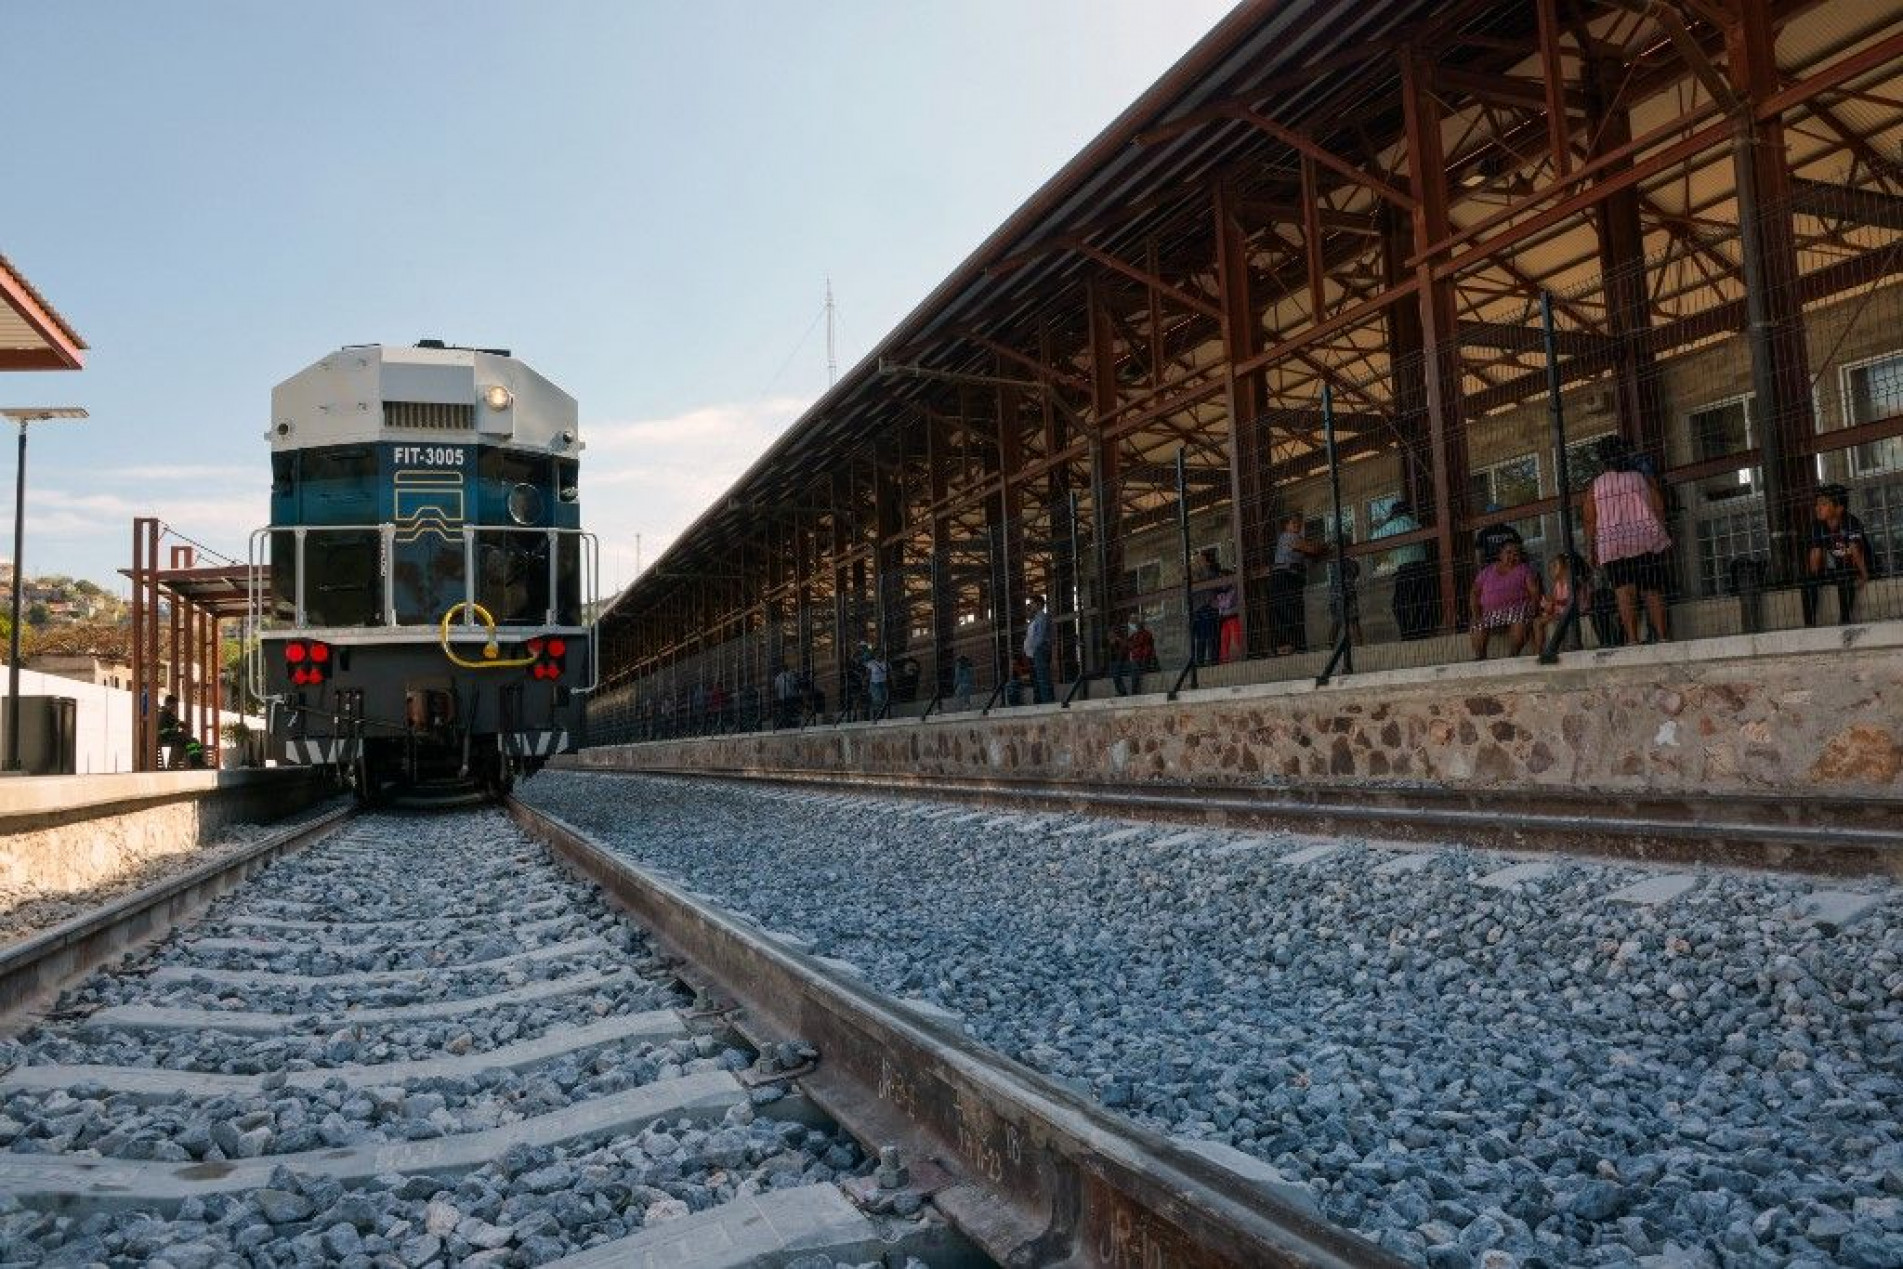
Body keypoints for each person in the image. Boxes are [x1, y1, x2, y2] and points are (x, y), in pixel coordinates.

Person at [1581, 434, 1672, 646]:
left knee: (1623, 591)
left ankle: (1632, 639)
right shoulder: (1639, 478)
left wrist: (1590, 549)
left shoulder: (1596, 486)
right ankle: (1662, 636)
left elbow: (1589, 520)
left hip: (1612, 544)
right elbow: (1658, 505)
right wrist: (1660, 530)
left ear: (1602, 459)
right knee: (1651, 589)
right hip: (1643, 539)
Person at [1804, 483, 1874, 627]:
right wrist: (1815, 577)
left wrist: (1865, 575)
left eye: (1823, 504)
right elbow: (1815, 556)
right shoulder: (1818, 526)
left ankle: (1844, 620)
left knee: (1845, 576)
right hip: (1840, 567)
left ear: (1839, 508)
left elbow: (1855, 550)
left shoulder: (1851, 522)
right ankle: (1809, 625)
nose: (1818, 508)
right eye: (1817, 504)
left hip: (1861, 566)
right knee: (1808, 581)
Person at [1372, 500, 1436, 639]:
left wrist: (1384, 524)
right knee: (1422, 602)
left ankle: (1408, 633)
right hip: (1422, 568)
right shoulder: (1415, 524)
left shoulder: (1393, 525)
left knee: (1399, 605)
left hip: (1406, 570)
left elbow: (1374, 540)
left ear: (1394, 514)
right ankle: (1422, 632)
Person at [1470, 540, 1541, 660]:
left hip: (1516, 609)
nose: (1512, 557)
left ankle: (1512, 656)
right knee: (1477, 624)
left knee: (1520, 619)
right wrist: (1476, 613)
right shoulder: (1487, 571)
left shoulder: (1524, 569)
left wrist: (1533, 608)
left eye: (1516, 554)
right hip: (1489, 612)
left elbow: (1534, 591)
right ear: (1500, 555)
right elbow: (1474, 592)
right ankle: (1480, 658)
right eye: (1509, 553)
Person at [1269, 514, 1327, 655]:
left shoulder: (1297, 539)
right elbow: (1312, 550)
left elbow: (1309, 552)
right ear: (1287, 526)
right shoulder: (1289, 536)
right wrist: (1320, 546)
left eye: (1299, 524)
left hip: (1289, 577)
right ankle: (1291, 645)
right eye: (1293, 523)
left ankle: (1293, 645)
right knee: (1288, 611)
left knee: (1291, 611)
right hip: (1284, 576)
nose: (1297, 526)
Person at [1534, 552, 1584, 651]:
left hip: (1571, 612)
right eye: (1550, 568)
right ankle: (1538, 650)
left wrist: (1554, 601)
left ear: (1565, 567)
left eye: (1555, 566)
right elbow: (1554, 601)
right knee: (1537, 622)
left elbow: (1573, 600)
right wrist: (1548, 605)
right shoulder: (1557, 584)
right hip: (1559, 613)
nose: (1551, 570)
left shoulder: (1572, 581)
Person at [1189, 548, 1227, 666]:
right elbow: (1218, 585)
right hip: (1207, 606)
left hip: (1197, 609)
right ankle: (1212, 660)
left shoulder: (1192, 574)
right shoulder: (1206, 571)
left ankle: (1201, 662)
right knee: (1211, 635)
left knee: (1201, 638)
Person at [1326, 553, 1363, 649]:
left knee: (1337, 622)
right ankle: (1359, 646)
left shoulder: (1333, 563)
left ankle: (1331, 648)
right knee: (1353, 621)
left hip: (1336, 595)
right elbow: (1356, 573)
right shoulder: (1351, 562)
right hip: (1347, 593)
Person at [1024, 594, 1052, 704]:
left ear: (1038, 604)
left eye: (1031, 603)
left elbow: (1040, 637)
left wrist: (1035, 648)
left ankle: (1047, 703)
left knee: (1042, 678)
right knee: (1038, 679)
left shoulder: (1041, 618)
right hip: (1035, 652)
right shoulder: (1035, 619)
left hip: (1040, 650)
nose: (1030, 606)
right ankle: (1042, 702)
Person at [158, 693, 184, 769]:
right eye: (175, 705)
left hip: (170, 737)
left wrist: (181, 725)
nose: (175, 708)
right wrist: (176, 729)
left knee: (189, 740)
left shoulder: (169, 714)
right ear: (169, 704)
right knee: (182, 740)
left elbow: (177, 722)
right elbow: (163, 731)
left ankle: (174, 764)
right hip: (164, 737)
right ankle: (173, 765)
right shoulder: (164, 714)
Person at [865, 648, 890, 717]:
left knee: (884, 700)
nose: (879, 655)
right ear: (874, 655)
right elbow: (868, 674)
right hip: (874, 683)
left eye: (881, 653)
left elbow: (889, 673)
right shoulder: (871, 663)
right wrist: (866, 684)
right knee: (877, 700)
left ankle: (881, 715)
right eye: (878, 653)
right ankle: (876, 716)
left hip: (884, 683)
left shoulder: (885, 662)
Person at [773, 662, 800, 729]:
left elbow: (776, 689)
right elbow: (795, 684)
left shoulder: (778, 677)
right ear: (787, 668)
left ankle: (786, 724)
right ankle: (791, 724)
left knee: (784, 711)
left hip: (782, 698)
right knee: (791, 711)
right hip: (790, 696)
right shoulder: (791, 675)